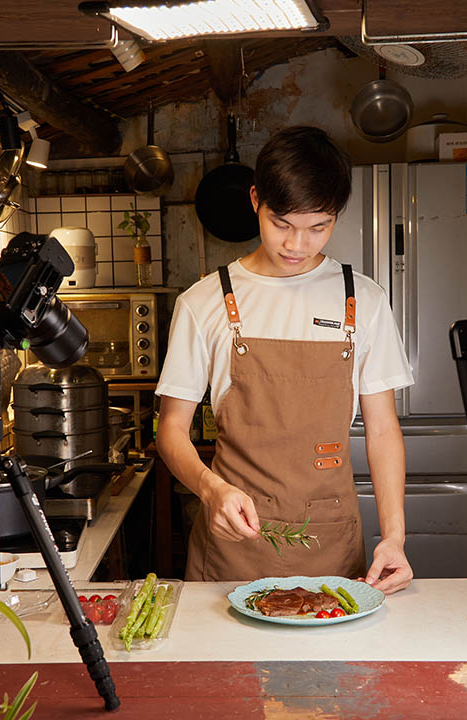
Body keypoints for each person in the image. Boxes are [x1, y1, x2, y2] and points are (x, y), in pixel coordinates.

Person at [155, 126, 414, 594]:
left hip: (332, 545)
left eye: (319, 227)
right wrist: (211, 491)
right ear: (256, 200)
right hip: (235, 544)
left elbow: (381, 430)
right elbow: (171, 428)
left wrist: (394, 535)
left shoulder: (365, 299)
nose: (298, 245)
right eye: (283, 225)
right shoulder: (205, 301)